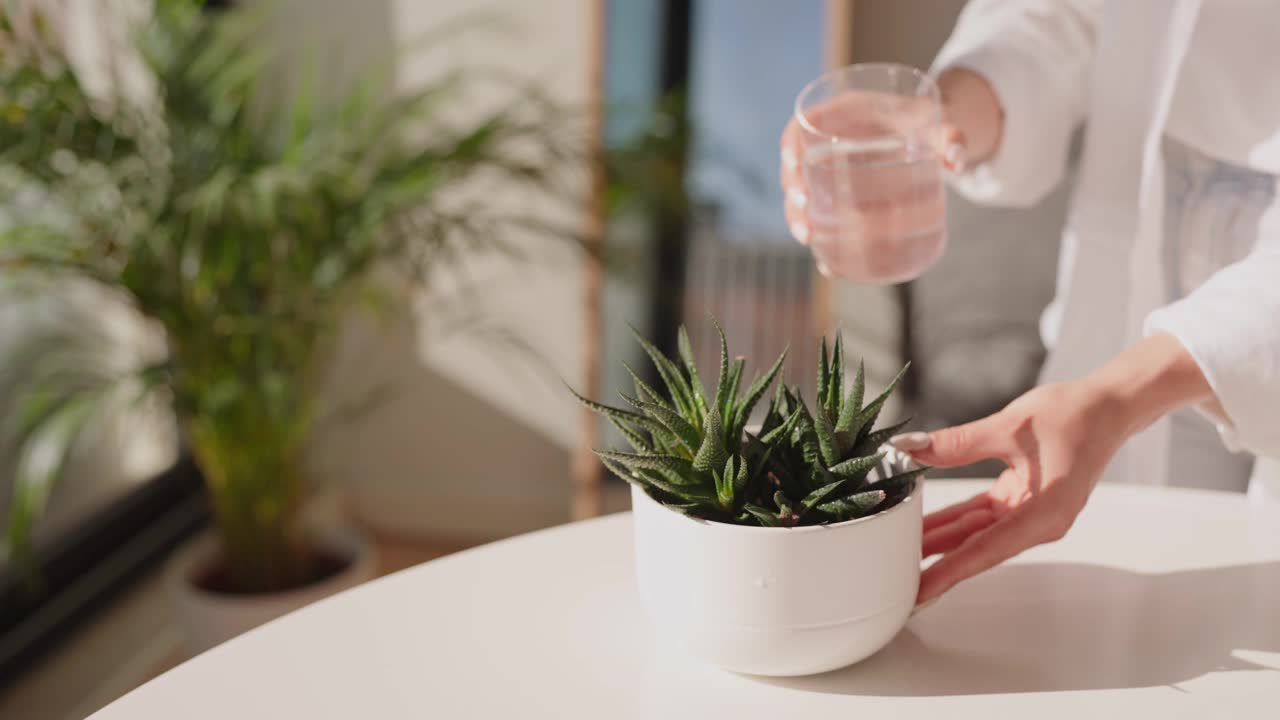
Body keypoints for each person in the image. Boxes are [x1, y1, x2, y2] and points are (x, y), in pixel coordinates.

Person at [779, 0, 1280, 606]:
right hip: (1149, 221)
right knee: (1130, 609)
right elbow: (1061, 14)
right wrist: (948, 111)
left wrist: (1113, 398)